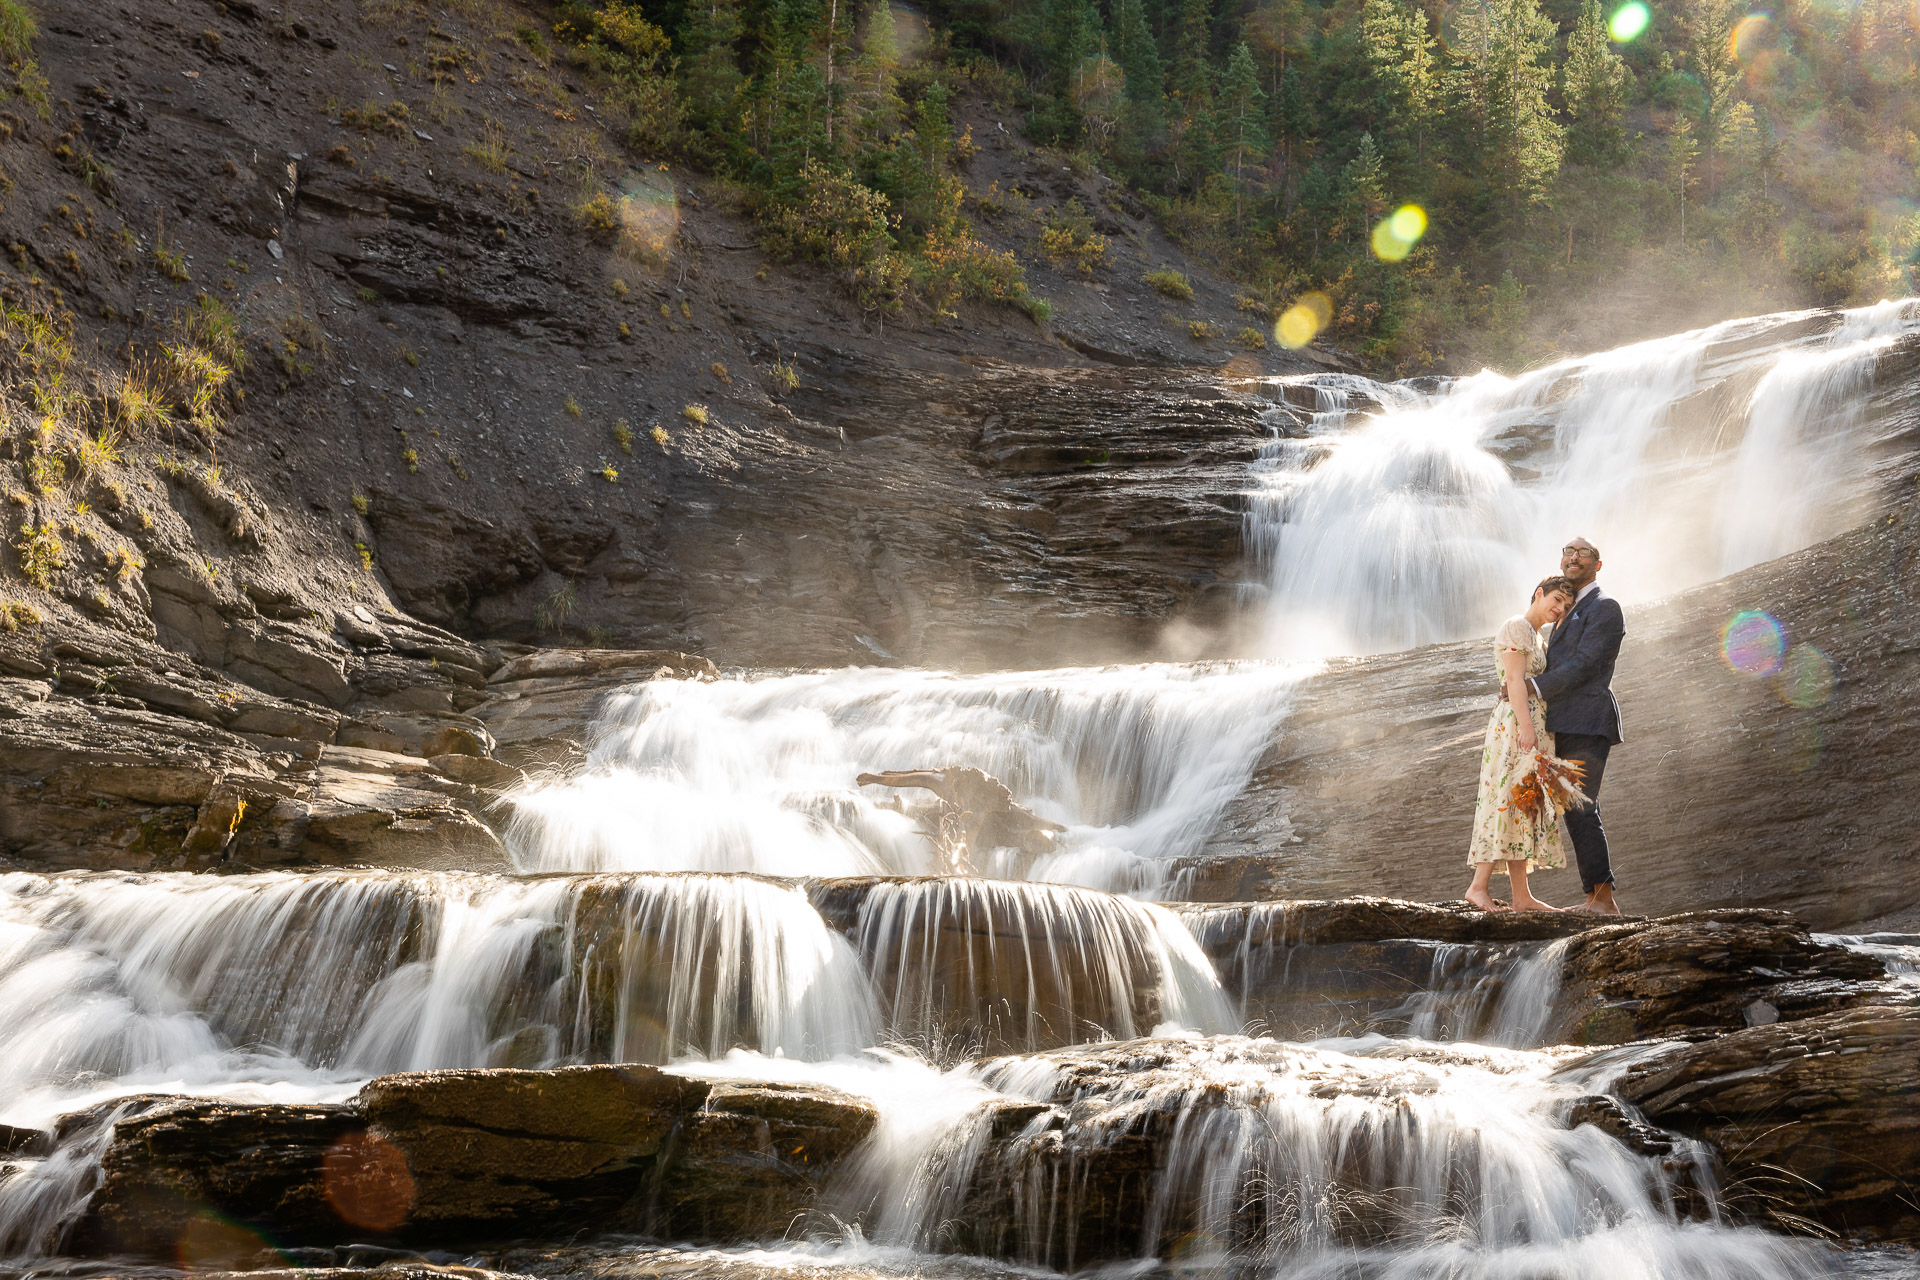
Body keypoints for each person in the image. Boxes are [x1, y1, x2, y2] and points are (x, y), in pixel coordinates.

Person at [1464, 576, 1584, 912]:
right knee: (1506, 798)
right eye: (1556, 600)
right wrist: (1527, 728)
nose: (1558, 609)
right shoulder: (1517, 627)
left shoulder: (1538, 638)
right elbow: (1514, 679)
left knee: (1523, 802)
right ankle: (1477, 887)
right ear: (1539, 593)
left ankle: (1521, 897)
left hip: (1533, 726)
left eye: (1565, 606)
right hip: (1517, 725)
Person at [1529, 538, 1626, 916]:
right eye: (1567, 551)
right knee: (1576, 807)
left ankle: (1603, 900)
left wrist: (1533, 687)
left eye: (1583, 553)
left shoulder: (1605, 607)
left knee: (1581, 805)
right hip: (1566, 722)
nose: (1573, 557)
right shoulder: (1566, 612)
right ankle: (1596, 897)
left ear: (1598, 566)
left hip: (1588, 721)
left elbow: (1585, 664)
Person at [855, 766, 1064, 875]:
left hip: (987, 820)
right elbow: (910, 777)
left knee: (1010, 826)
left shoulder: (993, 800)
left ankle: (1037, 836)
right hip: (971, 822)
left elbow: (1028, 816)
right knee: (929, 811)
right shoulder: (943, 785)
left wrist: (1055, 827)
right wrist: (876, 778)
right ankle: (900, 806)